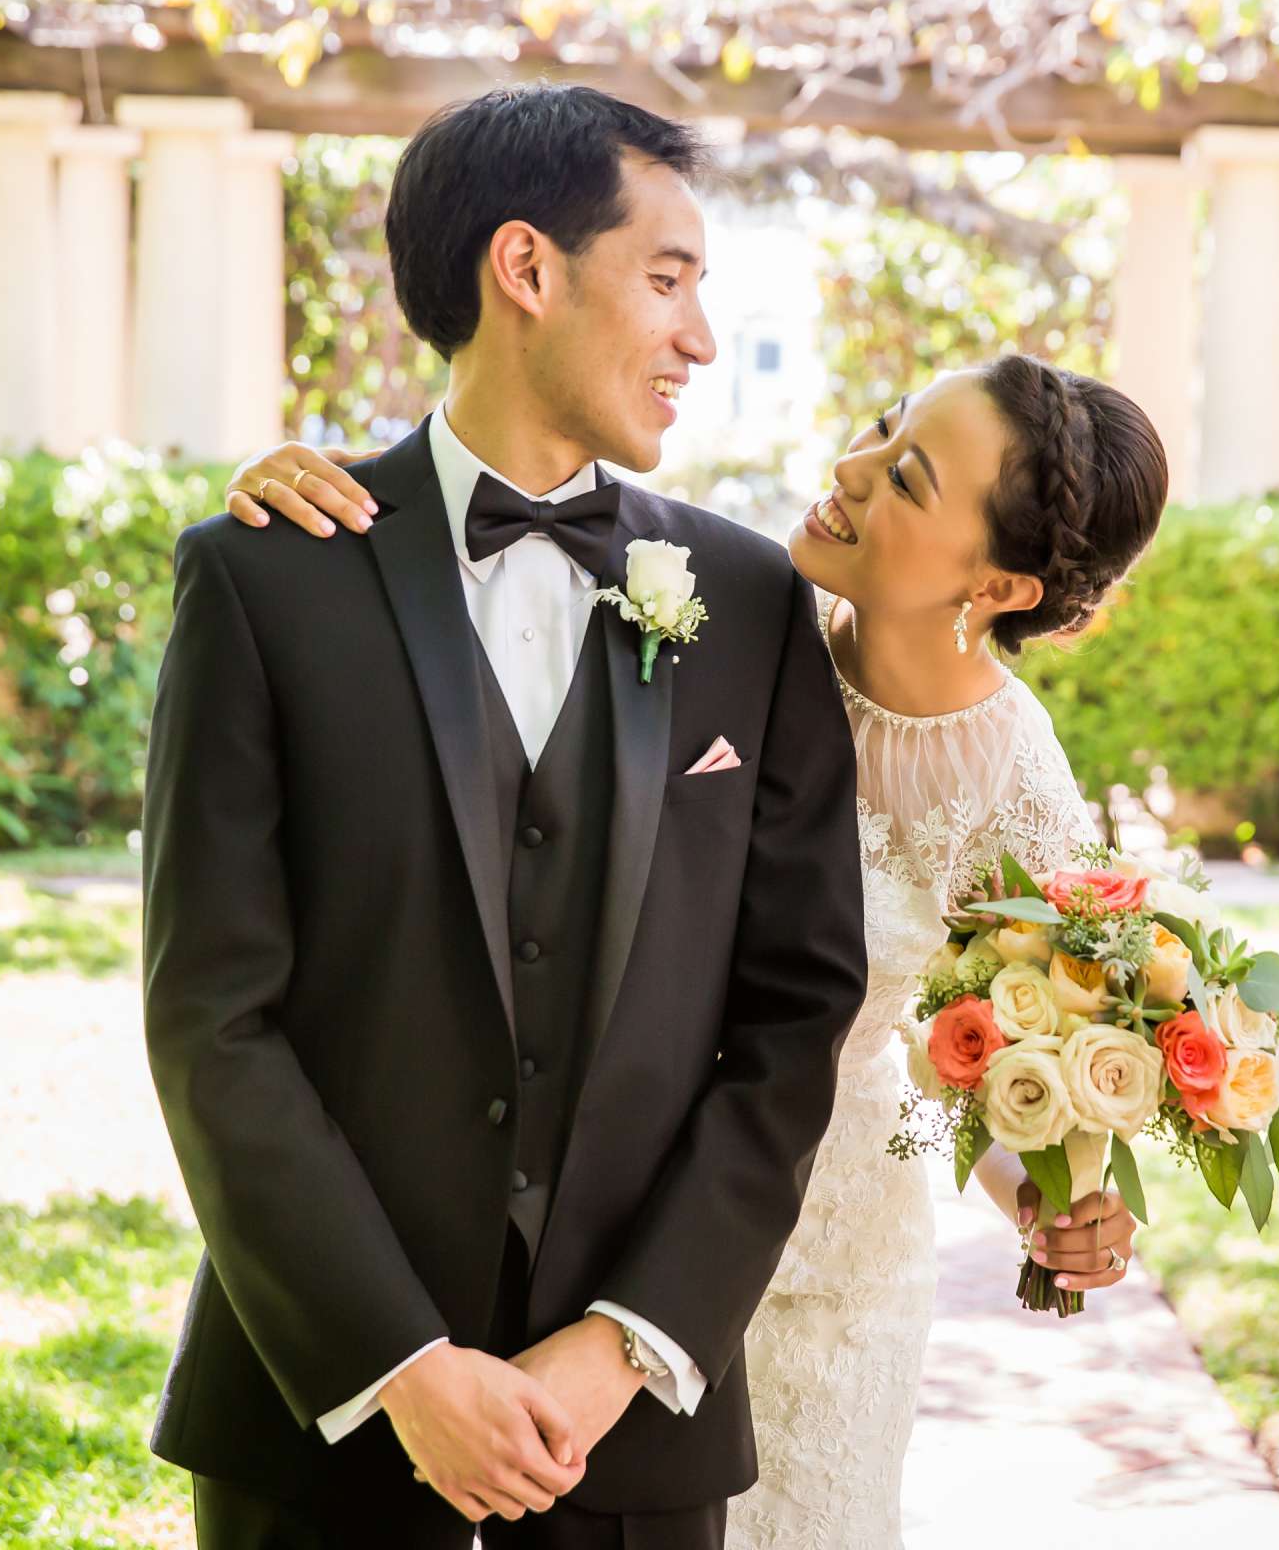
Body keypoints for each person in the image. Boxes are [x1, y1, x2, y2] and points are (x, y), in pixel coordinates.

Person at [225, 332, 1171, 1546]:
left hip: (831, 1271)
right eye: (885, 423)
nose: (851, 462)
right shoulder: (718, 613)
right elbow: (485, 591)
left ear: (998, 588)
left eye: (909, 477)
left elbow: (990, 1060)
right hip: (609, 1219)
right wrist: (310, 491)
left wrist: (1047, 1206)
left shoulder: (1014, 779)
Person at [141, 83, 869, 1549]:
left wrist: (623, 1344)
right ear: (526, 269)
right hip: (321, 1433)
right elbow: (213, 1016)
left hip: (634, 1439)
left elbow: (795, 1018)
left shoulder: (751, 606)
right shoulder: (264, 576)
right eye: (667, 281)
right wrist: (401, 1367)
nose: (701, 339)